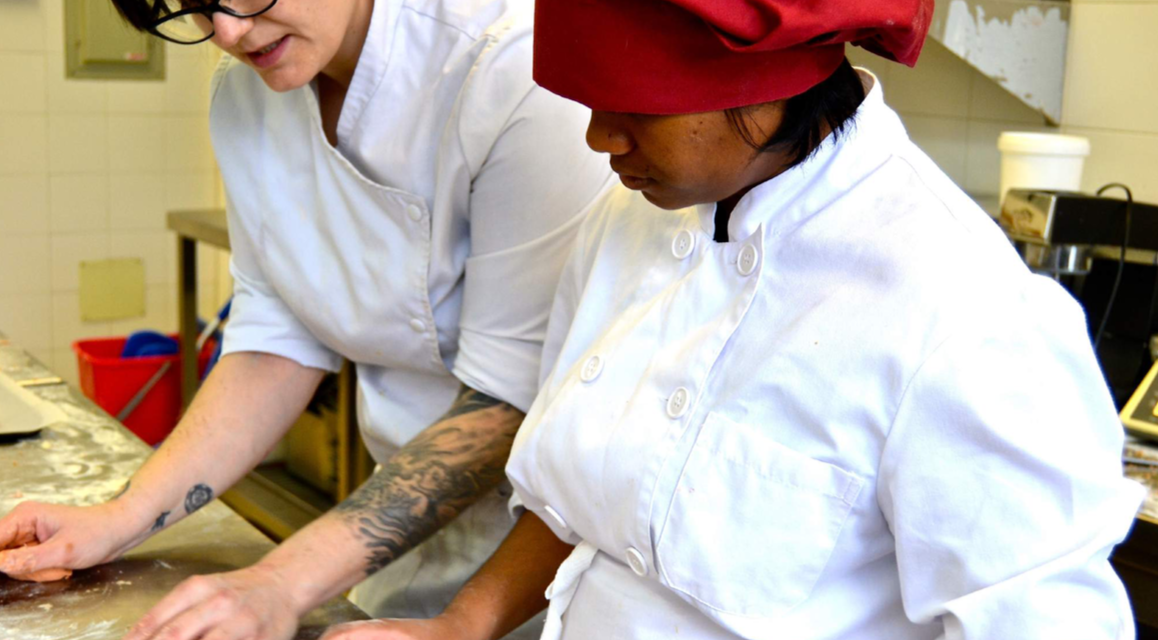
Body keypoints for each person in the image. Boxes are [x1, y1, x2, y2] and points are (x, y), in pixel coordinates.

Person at [320, 1, 1146, 639]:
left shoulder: (961, 313)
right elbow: (580, 506)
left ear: (757, 83)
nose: (601, 136)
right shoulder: (629, 221)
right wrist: (458, 627)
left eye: (632, 104)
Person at [0, 0, 611, 638]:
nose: (230, 33)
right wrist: (119, 517)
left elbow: (505, 398)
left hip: (554, 559)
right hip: (400, 540)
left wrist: (283, 580)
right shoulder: (246, 97)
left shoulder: (513, 68)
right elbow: (275, 342)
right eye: (199, 6)